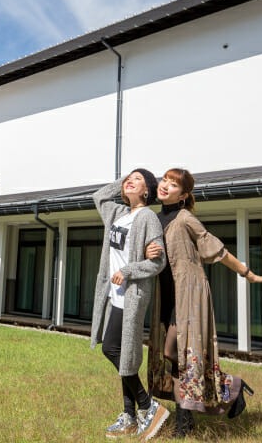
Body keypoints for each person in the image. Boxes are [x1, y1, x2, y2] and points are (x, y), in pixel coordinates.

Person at [145, 168, 262, 437]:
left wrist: (248, 274)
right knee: (171, 356)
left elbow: (218, 250)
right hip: (167, 296)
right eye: (164, 180)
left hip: (190, 294)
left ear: (184, 194)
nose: (165, 186)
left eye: (173, 184)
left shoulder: (185, 219)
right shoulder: (155, 219)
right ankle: (231, 388)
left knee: (180, 357)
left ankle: (185, 425)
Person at [91, 169, 170, 440]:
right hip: (114, 294)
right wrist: (125, 179)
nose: (128, 182)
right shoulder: (118, 214)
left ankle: (148, 407)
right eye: (127, 179)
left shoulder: (147, 217)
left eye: (136, 180)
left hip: (131, 295)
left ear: (147, 190)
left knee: (112, 348)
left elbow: (158, 261)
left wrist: (128, 270)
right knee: (120, 353)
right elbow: (100, 196)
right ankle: (129, 417)